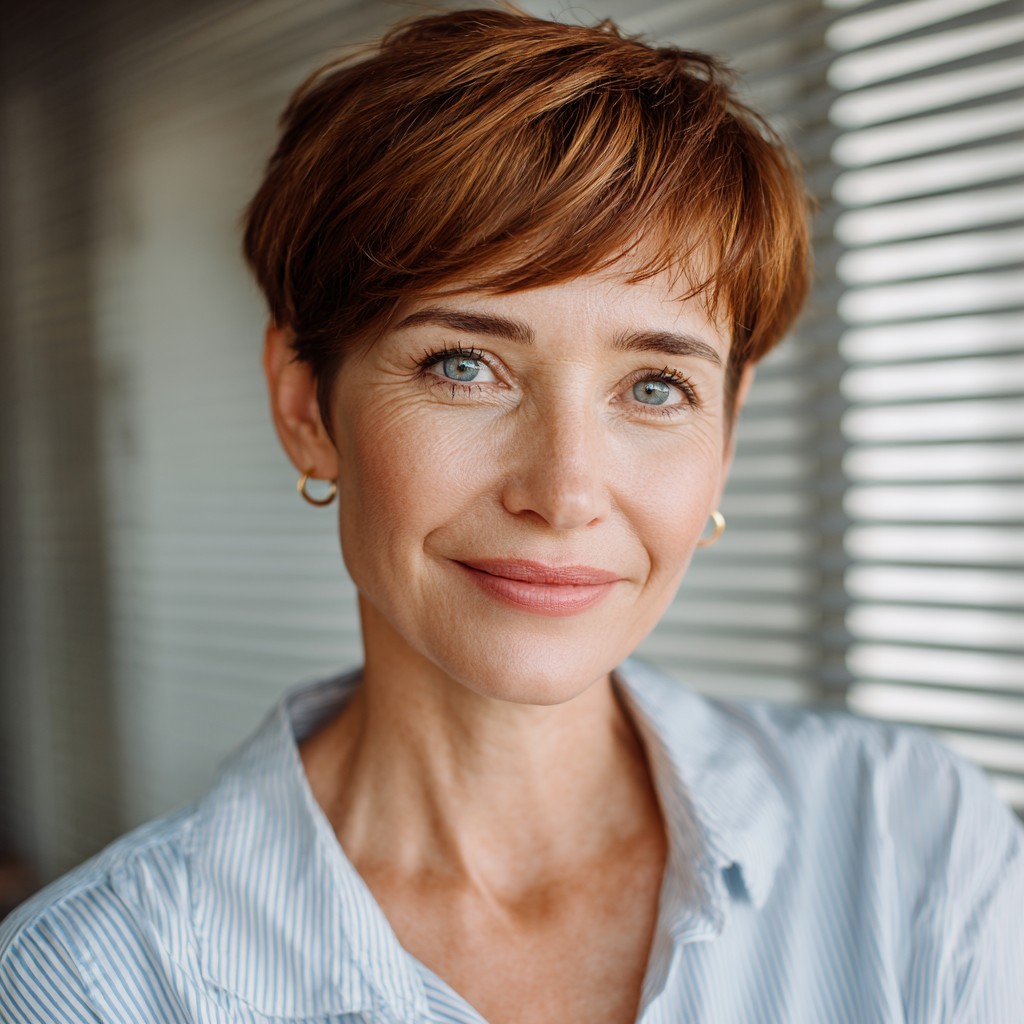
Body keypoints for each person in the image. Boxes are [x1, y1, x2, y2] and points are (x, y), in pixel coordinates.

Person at [1, 7, 1022, 1023]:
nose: (566, 491)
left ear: (727, 431)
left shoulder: (913, 842)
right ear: (306, 404)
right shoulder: (88, 984)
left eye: (656, 386)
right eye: (463, 365)